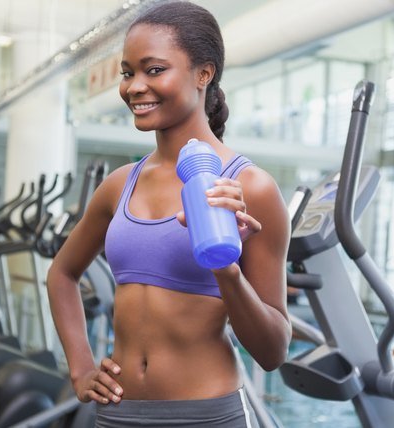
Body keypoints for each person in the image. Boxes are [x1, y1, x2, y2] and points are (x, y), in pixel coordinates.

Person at [46, 1, 291, 426]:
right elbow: (62, 274)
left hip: (206, 415)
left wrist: (227, 269)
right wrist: (81, 368)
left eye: (154, 70)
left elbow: (273, 352)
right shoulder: (120, 184)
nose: (135, 86)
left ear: (203, 74)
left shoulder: (252, 188)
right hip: (116, 414)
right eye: (128, 72)